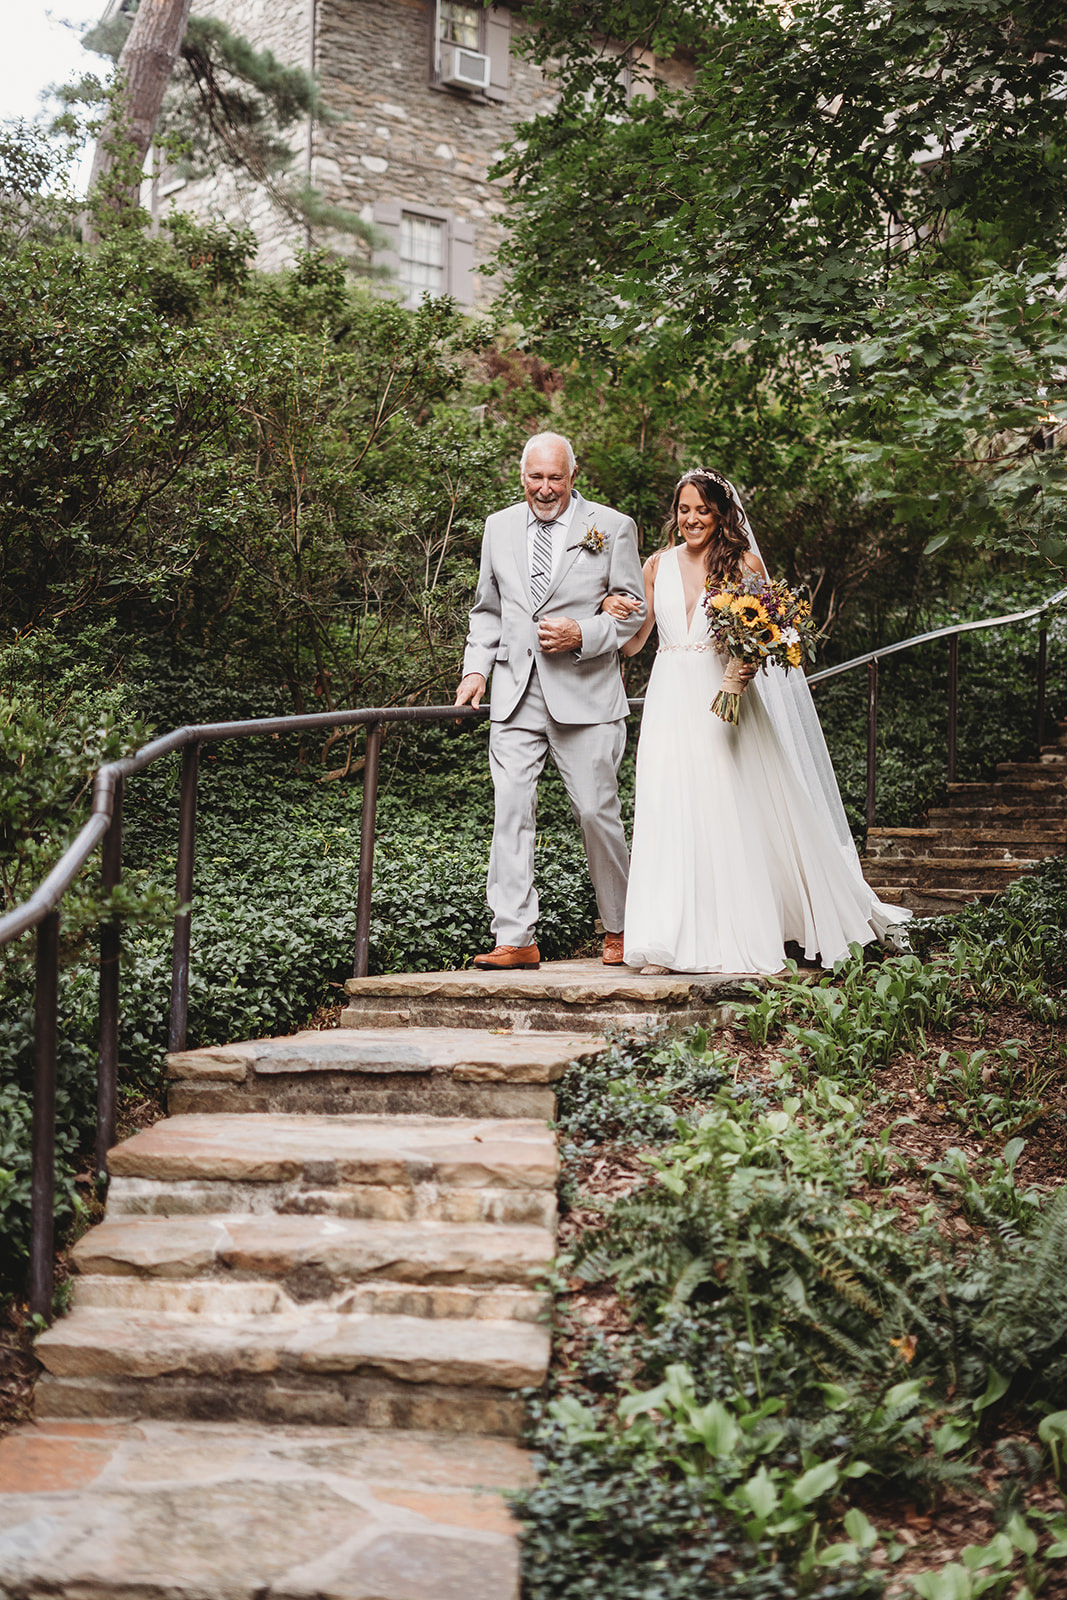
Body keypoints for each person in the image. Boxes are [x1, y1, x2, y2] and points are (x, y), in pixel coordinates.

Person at [608, 467, 909, 975]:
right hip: (668, 698)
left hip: (723, 697)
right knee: (668, 804)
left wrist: (742, 668)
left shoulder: (743, 563)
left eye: (703, 510)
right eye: (684, 510)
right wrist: (613, 612)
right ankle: (664, 937)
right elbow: (637, 643)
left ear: (721, 514)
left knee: (723, 803)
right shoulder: (656, 565)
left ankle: (737, 929)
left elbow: (768, 635)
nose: (691, 519)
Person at [455, 432, 646, 970]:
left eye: (555, 478)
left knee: (595, 811)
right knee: (511, 810)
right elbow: (488, 610)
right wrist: (476, 668)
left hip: (586, 694)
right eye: (535, 477)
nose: (544, 488)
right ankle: (515, 936)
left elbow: (632, 609)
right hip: (514, 694)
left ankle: (622, 926)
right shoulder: (498, 526)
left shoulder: (612, 526)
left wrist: (582, 633)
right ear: (522, 476)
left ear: (572, 475)